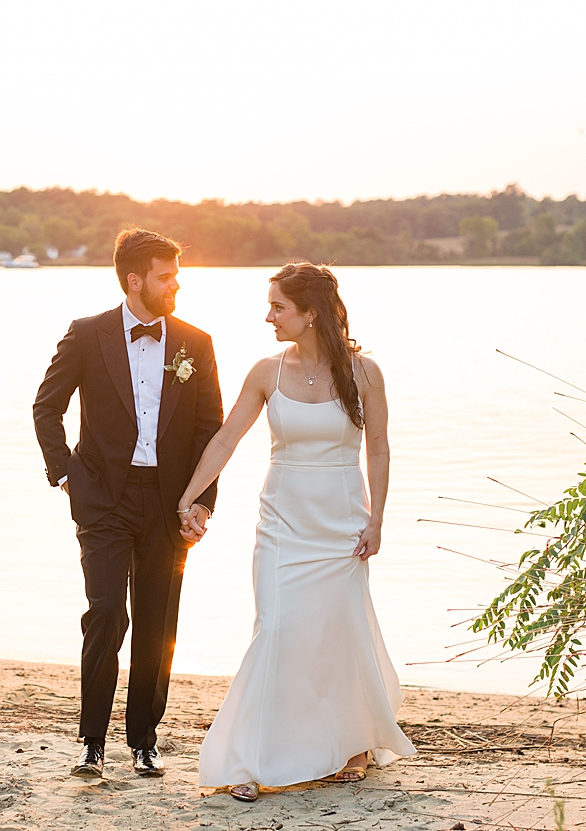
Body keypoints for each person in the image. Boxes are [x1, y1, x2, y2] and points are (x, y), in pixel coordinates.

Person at [178, 262, 415, 801]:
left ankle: (352, 743)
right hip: (282, 525)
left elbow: (377, 446)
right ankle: (253, 757)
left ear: (310, 313)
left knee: (339, 633)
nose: (269, 317)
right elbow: (225, 439)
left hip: (342, 524)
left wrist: (377, 519)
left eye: (279, 307)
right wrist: (190, 495)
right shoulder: (266, 371)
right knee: (278, 631)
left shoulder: (365, 372)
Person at [33, 228, 224, 778]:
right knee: (107, 614)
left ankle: (144, 738)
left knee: (157, 622)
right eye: (167, 277)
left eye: (177, 274)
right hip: (103, 501)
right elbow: (47, 409)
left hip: (169, 503)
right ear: (134, 279)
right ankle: (92, 740)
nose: (176, 285)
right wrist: (65, 476)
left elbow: (210, 428)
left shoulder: (196, 342)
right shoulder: (87, 334)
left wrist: (201, 501)